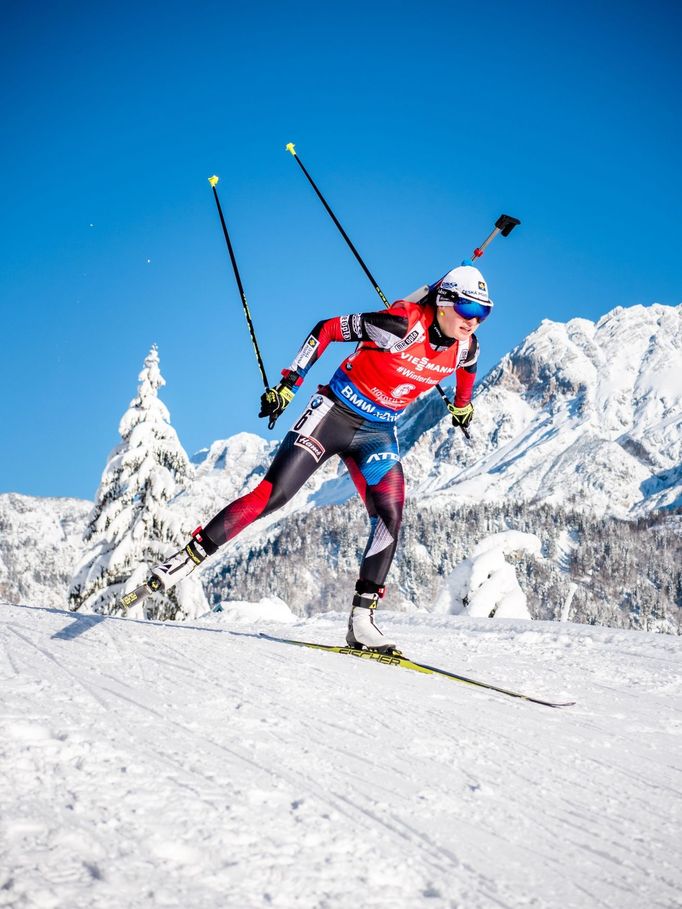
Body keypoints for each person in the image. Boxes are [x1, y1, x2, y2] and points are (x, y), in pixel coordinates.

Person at [151, 264, 492, 652]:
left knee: (390, 515)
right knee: (273, 495)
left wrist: (463, 407)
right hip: (333, 414)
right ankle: (186, 557)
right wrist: (288, 383)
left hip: (378, 431)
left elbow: (467, 371)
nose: (474, 322)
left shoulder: (467, 346)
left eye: (483, 314)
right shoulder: (400, 325)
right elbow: (327, 328)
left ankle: (361, 621)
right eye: (468, 310)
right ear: (444, 303)